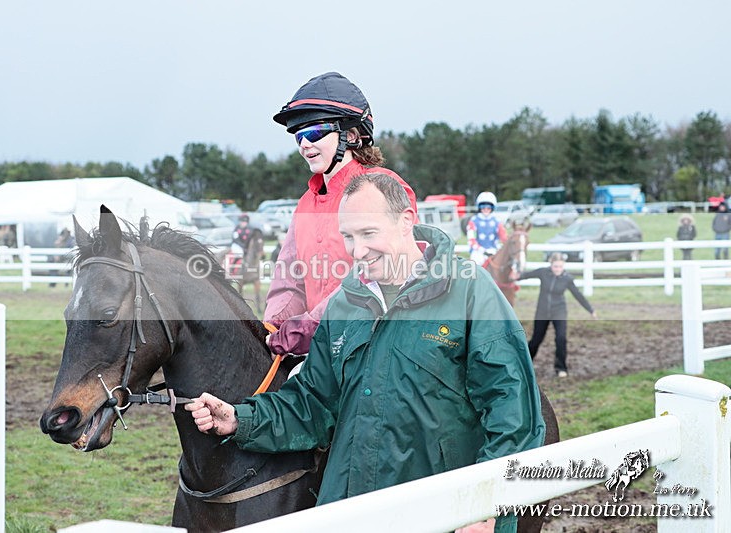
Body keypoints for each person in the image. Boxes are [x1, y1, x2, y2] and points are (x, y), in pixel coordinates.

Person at [187, 174, 545, 533]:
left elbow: (514, 415)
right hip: (350, 515)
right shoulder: (344, 304)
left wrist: (487, 508)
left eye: (368, 233)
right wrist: (239, 419)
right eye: (348, 237)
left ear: (406, 221)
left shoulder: (469, 291)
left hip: (441, 515)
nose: (357, 251)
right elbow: (312, 404)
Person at [264, 72, 417, 358]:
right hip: (323, 349)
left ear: (350, 135)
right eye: (299, 135)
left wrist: (310, 327)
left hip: (383, 347)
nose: (304, 145)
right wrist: (274, 326)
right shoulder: (305, 203)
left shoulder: (382, 188)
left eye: (314, 132)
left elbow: (374, 275)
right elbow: (289, 277)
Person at [516, 253, 597, 377]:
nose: (557, 269)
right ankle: (524, 365)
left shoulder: (567, 279)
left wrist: (590, 310)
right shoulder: (543, 273)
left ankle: (561, 368)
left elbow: (578, 295)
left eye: (560, 267)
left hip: (559, 311)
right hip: (542, 312)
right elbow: (525, 275)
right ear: (551, 264)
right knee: (536, 340)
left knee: (561, 338)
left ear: (563, 266)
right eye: (555, 267)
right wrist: (513, 277)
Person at [466, 192, 507, 266]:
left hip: (493, 250)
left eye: (489, 207)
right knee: (474, 265)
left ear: (493, 207)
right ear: (479, 207)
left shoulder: (497, 221)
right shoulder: (473, 221)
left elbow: (504, 238)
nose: (486, 209)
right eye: (483, 207)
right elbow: (471, 240)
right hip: (478, 252)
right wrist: (481, 250)